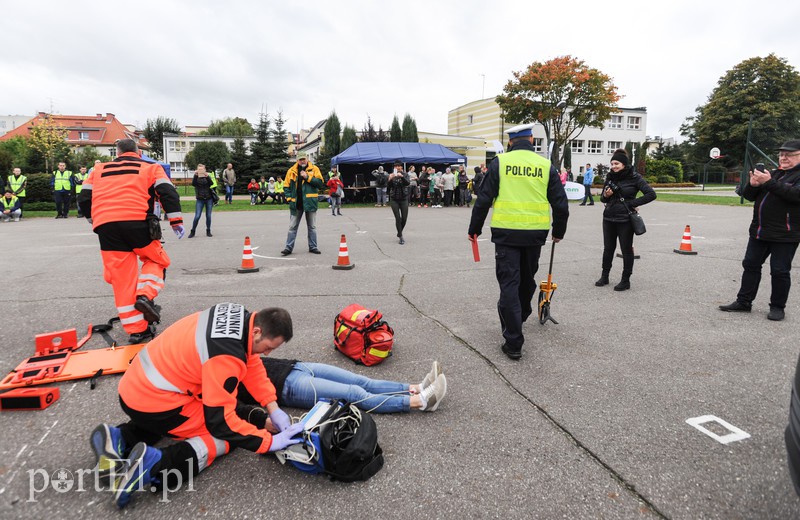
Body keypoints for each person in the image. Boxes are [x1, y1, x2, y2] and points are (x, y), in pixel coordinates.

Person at [88, 303, 302, 508]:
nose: (267, 354)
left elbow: (251, 364)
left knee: (193, 417)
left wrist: (272, 407)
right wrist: (267, 442)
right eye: (268, 348)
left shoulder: (238, 317)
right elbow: (222, 423)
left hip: (138, 386)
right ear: (257, 332)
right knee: (224, 437)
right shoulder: (226, 355)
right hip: (156, 400)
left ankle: (119, 437)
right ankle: (154, 465)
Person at [468, 123, 569, 360]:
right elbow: (560, 203)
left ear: (511, 142)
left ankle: (513, 342)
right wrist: (559, 231)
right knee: (527, 280)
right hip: (535, 235)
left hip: (506, 235)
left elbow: (484, 199)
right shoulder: (545, 165)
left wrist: (474, 229)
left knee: (509, 285)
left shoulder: (500, 163)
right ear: (532, 139)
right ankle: (520, 315)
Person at [77, 138, 184, 344]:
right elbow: (168, 193)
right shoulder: (150, 168)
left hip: (106, 227)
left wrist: (95, 219)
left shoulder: (98, 169)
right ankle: (145, 295)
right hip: (138, 224)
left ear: (116, 153)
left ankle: (137, 331)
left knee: (122, 280)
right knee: (157, 261)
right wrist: (175, 221)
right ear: (138, 152)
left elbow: (84, 198)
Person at [719, 140, 800, 321]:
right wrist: (754, 185)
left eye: (789, 154)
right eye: (781, 154)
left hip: (785, 234)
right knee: (750, 265)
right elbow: (749, 197)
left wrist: (768, 182)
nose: (784, 157)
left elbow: (795, 196)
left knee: (779, 271)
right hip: (759, 232)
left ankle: (778, 307)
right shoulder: (773, 174)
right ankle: (744, 302)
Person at [239, 358, 447, 414]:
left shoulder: (220, 348)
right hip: (288, 386)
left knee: (361, 381)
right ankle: (420, 402)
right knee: (354, 393)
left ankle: (417, 387)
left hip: (294, 365)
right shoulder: (212, 379)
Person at [596, 148, 656, 291]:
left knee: (626, 250)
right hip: (609, 217)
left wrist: (632, 204)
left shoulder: (634, 177)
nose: (613, 166)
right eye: (612, 164)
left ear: (623, 164)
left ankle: (625, 280)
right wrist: (607, 195)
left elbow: (651, 194)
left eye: (616, 163)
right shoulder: (610, 177)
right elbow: (602, 198)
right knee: (608, 248)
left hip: (625, 220)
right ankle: (605, 276)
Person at [281, 152, 324, 256]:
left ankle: (313, 247)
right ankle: (288, 248)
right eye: (300, 159)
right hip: (296, 204)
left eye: (304, 159)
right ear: (297, 160)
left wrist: (307, 177)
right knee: (292, 227)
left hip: (310, 202)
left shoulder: (314, 169)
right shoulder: (291, 171)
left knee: (312, 227)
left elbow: (320, 183)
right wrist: (289, 198)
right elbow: (286, 186)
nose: (302, 161)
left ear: (307, 158)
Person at [387, 162, 410, 244]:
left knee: (404, 218)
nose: (397, 167)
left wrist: (402, 177)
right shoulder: (392, 175)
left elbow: (407, 183)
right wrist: (390, 179)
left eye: (399, 166)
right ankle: (400, 236)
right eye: (396, 166)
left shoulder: (405, 174)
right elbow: (389, 187)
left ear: (401, 167)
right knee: (398, 218)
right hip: (394, 199)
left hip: (404, 199)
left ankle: (399, 232)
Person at [189, 164, 215, 238]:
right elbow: (193, 184)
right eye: (199, 169)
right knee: (197, 216)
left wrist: (207, 176)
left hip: (208, 198)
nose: (200, 171)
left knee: (208, 216)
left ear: (204, 170)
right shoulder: (196, 177)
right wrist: (195, 175)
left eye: (202, 169)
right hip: (200, 199)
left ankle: (208, 230)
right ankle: (193, 231)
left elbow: (211, 183)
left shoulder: (207, 176)